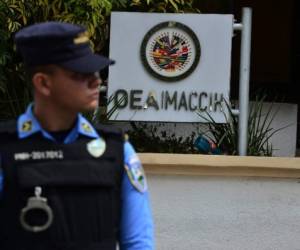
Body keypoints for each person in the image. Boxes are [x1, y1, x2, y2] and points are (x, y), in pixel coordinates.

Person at [0, 21, 154, 250]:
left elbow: (137, 243)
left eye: (94, 71)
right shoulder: (5, 149)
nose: (96, 80)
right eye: (79, 74)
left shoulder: (117, 150)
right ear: (43, 83)